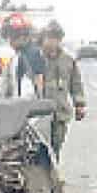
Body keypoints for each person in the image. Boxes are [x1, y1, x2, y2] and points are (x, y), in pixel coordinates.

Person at [39, 20, 87, 160]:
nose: (52, 42)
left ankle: (53, 175)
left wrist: (80, 105)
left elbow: (76, 84)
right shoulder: (36, 59)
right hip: (39, 113)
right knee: (40, 148)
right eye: (49, 38)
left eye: (56, 38)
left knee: (56, 146)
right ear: (43, 38)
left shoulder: (68, 60)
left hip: (60, 112)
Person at [0, 13, 46, 98]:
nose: (9, 42)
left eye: (9, 37)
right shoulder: (17, 57)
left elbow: (37, 87)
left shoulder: (33, 56)